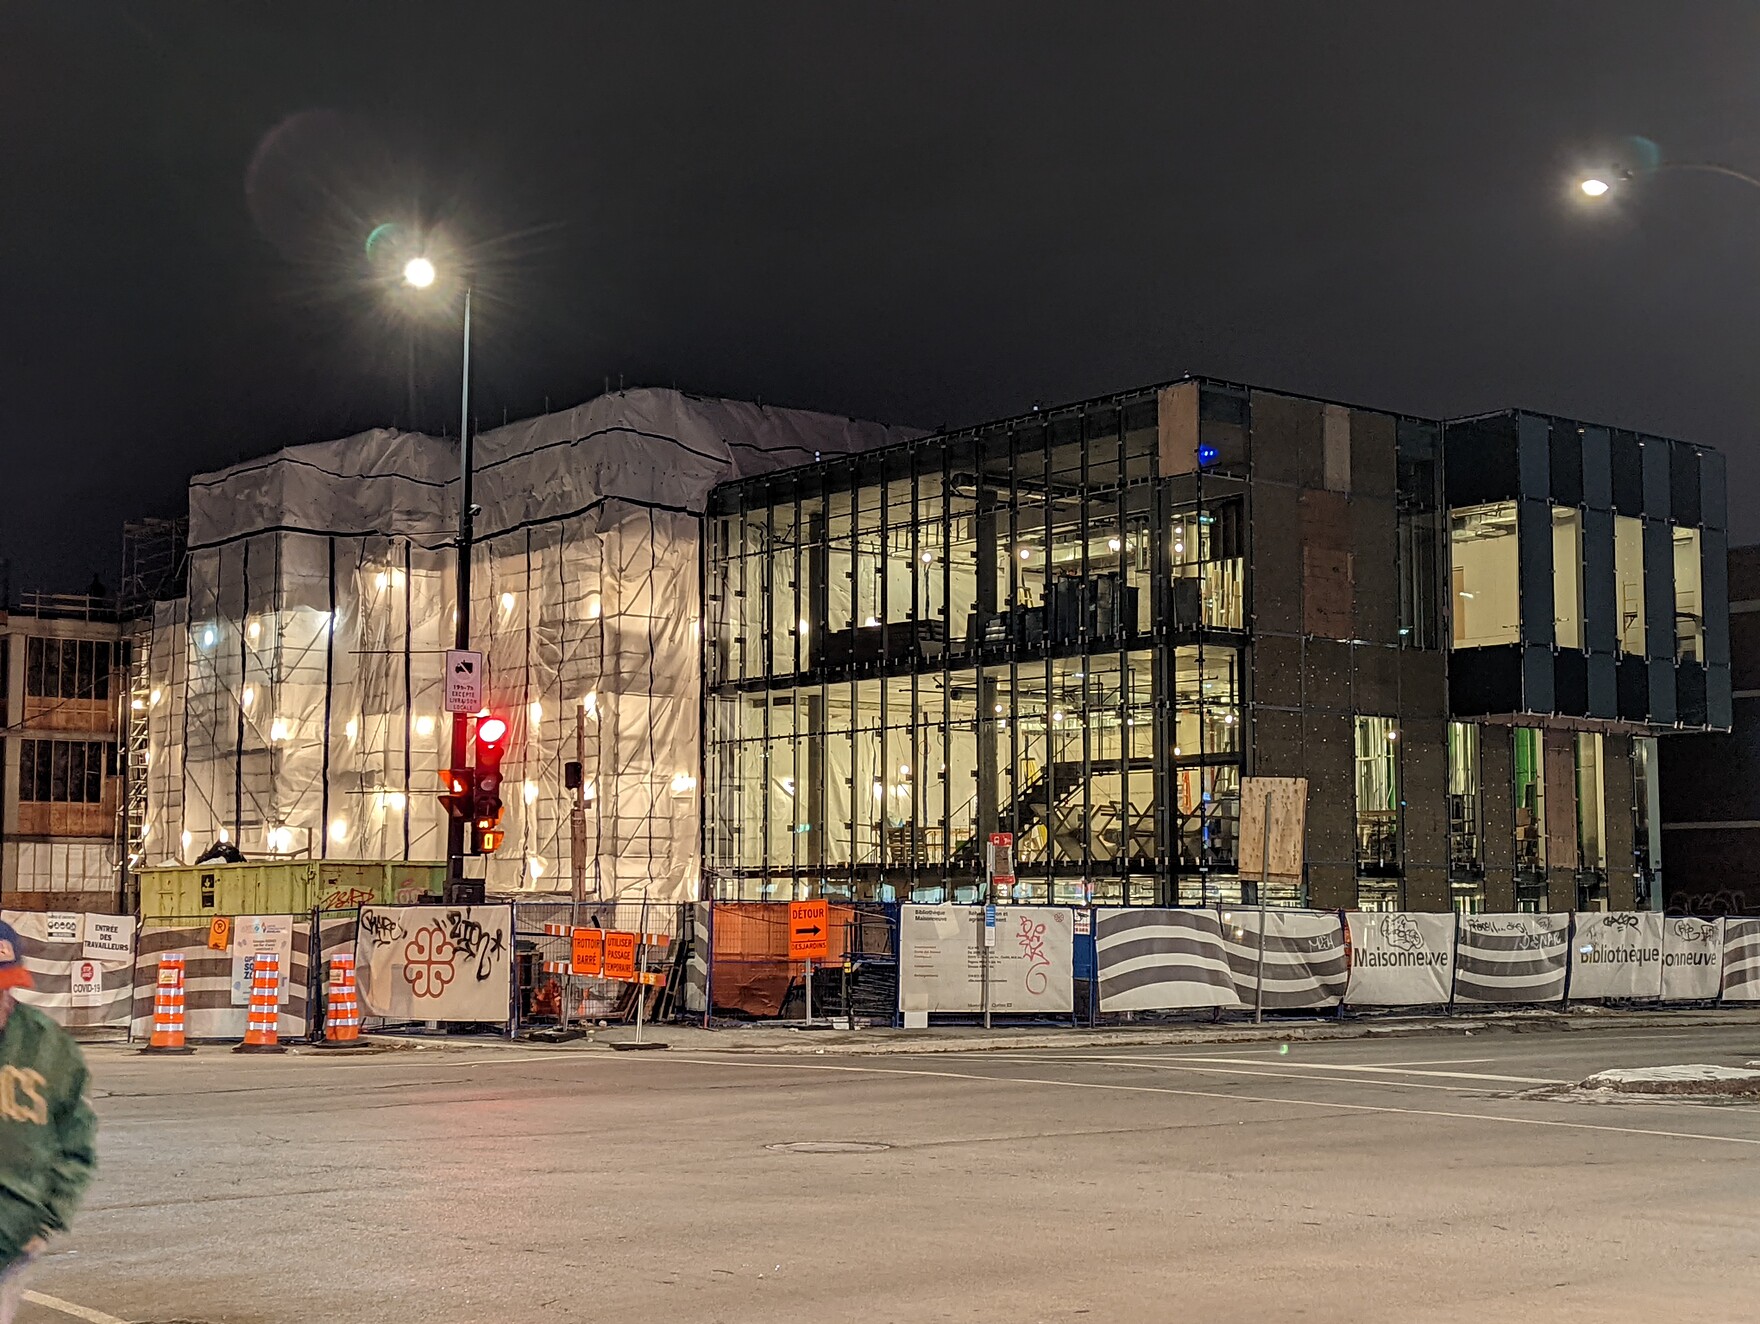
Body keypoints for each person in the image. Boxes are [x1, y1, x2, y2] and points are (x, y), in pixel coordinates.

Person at [0, 921, 97, 1323]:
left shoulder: (47, 1046)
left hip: (13, 1239)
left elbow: (76, 1142)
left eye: (6, 987)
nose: (1, 1000)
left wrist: (48, 1220)